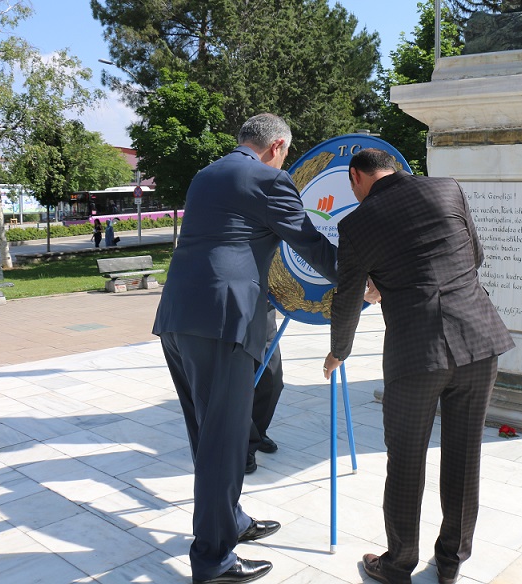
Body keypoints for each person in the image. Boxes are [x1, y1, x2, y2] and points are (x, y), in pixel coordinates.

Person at [152, 113, 338, 584]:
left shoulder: (207, 174)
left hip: (179, 317)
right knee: (224, 443)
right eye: (287, 153)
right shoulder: (269, 179)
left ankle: (229, 520)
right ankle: (215, 560)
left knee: (206, 436)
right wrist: (360, 282)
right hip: (223, 322)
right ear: (277, 146)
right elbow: (310, 243)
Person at [323, 149, 515, 584]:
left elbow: (348, 296)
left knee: (406, 463)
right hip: (480, 340)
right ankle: (450, 563)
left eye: (351, 185)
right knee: (465, 459)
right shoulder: (446, 188)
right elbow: (475, 255)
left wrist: (341, 350)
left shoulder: (355, 225)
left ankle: (397, 566)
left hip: (416, 353)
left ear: (357, 176)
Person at [246, 302, 283, 474]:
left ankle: (256, 433)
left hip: (265, 312)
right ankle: (242, 445)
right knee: (236, 388)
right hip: (231, 310)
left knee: (273, 381)